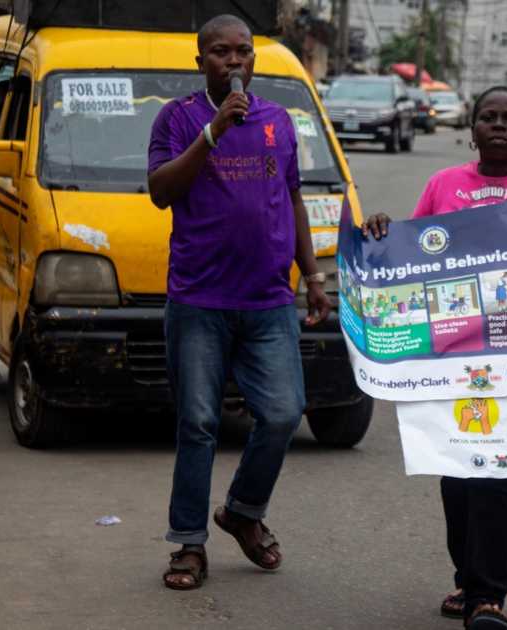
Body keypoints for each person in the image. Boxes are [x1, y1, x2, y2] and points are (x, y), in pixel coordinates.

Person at [359, 86, 507, 630]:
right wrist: (379, 233)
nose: (497, 126)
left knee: (506, 473)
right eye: (487, 116)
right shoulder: (444, 184)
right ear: (472, 128)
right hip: (453, 359)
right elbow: (408, 255)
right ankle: (467, 579)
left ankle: (489, 597)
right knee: (459, 472)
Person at [146, 14, 332, 590]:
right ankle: (188, 546)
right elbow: (159, 191)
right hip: (200, 299)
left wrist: (313, 275)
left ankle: (244, 512)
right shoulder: (177, 119)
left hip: (268, 301)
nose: (234, 62)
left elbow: (294, 198)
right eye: (221, 53)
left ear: (254, 60)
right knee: (198, 422)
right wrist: (213, 133)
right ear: (200, 61)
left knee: (282, 412)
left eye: (243, 53)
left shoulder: (278, 121)